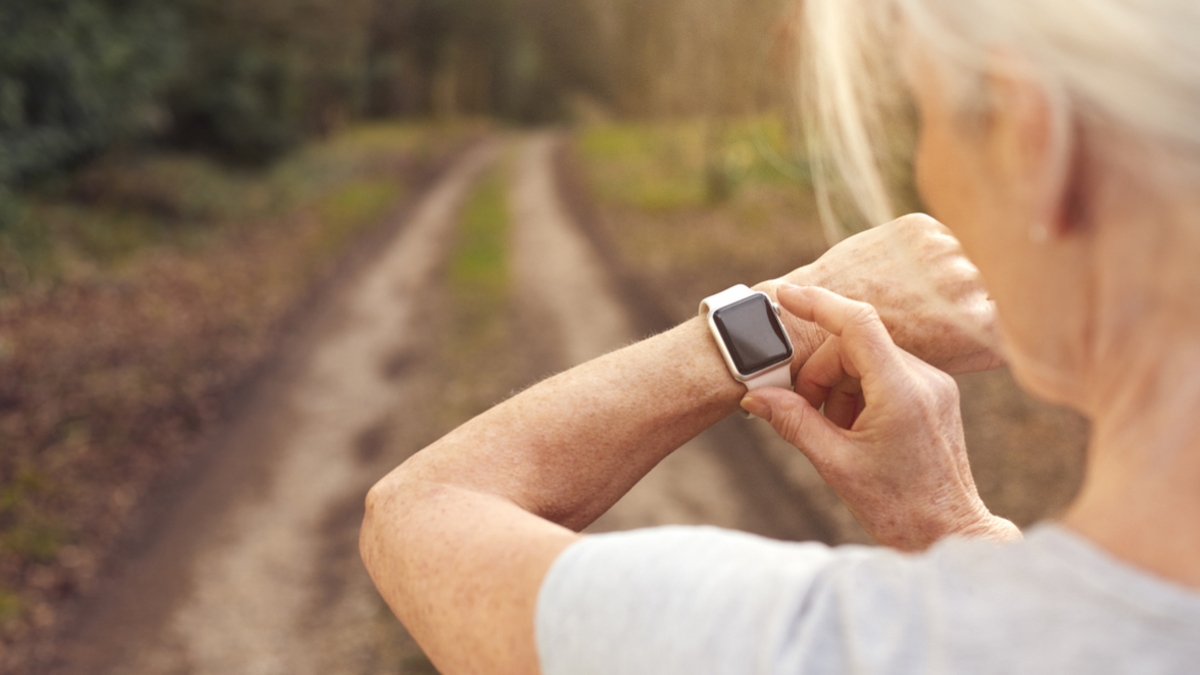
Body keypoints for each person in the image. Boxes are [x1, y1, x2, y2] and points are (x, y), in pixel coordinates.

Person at [359, 0, 1200, 672]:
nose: (927, 170)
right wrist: (956, 532)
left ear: (1029, 139)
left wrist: (781, 318)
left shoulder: (795, 645)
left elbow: (418, 512)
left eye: (927, 116)